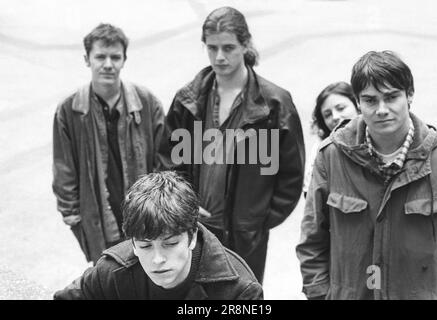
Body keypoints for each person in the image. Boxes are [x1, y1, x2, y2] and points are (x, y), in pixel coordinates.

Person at [165, 7, 305, 283]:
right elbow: (169, 163)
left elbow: (291, 174)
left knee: (241, 298)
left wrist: (257, 219)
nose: (220, 57)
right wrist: (182, 206)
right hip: (193, 230)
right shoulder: (188, 100)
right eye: (212, 47)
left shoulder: (274, 104)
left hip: (246, 236)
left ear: (245, 44)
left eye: (228, 47)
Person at [296, 50, 437, 300]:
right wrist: (321, 296)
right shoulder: (331, 157)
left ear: (409, 95)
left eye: (391, 97)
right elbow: (312, 242)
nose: (381, 109)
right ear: (358, 102)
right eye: (370, 100)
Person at [52, 23, 167, 263]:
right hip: (98, 222)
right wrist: (74, 219)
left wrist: (160, 210)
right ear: (87, 59)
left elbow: (164, 163)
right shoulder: (69, 110)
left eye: (115, 57)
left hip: (145, 219)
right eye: (100, 56)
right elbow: (64, 172)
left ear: (124, 59)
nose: (108, 64)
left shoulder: (147, 103)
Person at [54, 171, 263, 300]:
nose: (157, 259)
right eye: (145, 246)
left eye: (170, 243)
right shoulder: (111, 273)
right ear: (133, 244)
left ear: (191, 237)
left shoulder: (239, 291)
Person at [303, 82, 358, 196]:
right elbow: (310, 194)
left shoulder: (378, 136)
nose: (335, 117)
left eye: (341, 108)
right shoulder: (321, 149)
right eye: (327, 115)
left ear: (358, 105)